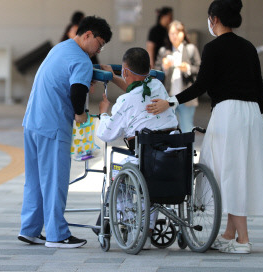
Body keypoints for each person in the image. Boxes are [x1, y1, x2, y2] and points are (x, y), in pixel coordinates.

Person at [147, 0, 263, 254]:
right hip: (251, 113)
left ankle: (243, 239)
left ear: (214, 19)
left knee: (228, 171)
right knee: (236, 169)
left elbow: (200, 85)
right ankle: (230, 233)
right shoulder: (248, 47)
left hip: (228, 113)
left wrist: (171, 101)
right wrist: (261, 117)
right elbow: (259, 85)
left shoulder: (213, 48)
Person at [19, 15, 112, 248]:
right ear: (88, 35)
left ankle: (30, 229)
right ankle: (57, 234)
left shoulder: (61, 48)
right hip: (52, 126)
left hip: (32, 122)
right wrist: (81, 116)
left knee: (34, 181)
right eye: (99, 44)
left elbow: (65, 81)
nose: (97, 50)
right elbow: (77, 93)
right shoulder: (81, 59)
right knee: (54, 181)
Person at [95, 47, 178, 249]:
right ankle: (148, 228)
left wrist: (104, 113)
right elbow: (138, 90)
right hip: (172, 157)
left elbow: (106, 134)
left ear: (126, 71)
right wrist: (116, 77)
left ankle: (130, 222)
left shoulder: (124, 101)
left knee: (119, 175)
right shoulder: (157, 85)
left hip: (144, 160)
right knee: (152, 179)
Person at [154, 20, 201, 133]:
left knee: (186, 129)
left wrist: (188, 68)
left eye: (177, 32)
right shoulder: (163, 51)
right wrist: (164, 67)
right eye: (171, 33)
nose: (174, 36)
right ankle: (172, 151)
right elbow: (155, 73)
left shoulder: (190, 49)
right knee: (169, 129)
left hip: (186, 96)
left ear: (183, 33)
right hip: (168, 96)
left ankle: (188, 150)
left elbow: (200, 69)